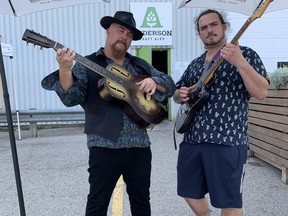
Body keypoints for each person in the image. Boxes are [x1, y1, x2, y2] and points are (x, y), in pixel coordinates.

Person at [41, 11, 175, 216]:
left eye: (129, 34)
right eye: (120, 30)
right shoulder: (87, 62)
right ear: (108, 31)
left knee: (142, 203)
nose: (125, 36)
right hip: (104, 147)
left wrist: (154, 82)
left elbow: (170, 85)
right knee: (97, 204)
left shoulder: (138, 65)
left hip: (139, 148)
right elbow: (71, 98)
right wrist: (65, 70)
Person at [173, 9, 269, 216]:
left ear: (224, 26)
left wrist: (240, 62)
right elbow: (176, 92)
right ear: (199, 33)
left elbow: (261, 91)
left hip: (227, 141)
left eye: (213, 25)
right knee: (188, 191)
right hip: (193, 139)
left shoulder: (246, 54)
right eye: (203, 28)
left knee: (230, 202)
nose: (209, 30)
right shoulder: (196, 64)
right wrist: (180, 94)